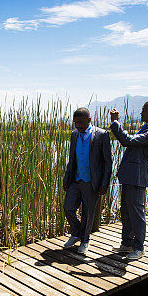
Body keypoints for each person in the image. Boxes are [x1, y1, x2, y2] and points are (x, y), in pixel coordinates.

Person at [109, 101, 148, 261]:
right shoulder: (147, 127)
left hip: (137, 178)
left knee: (136, 214)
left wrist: (115, 122)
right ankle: (127, 243)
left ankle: (139, 248)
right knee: (125, 211)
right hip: (129, 176)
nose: (141, 114)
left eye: (144, 111)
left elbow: (128, 141)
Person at [62, 107, 113, 255]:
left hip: (92, 181)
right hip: (76, 180)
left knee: (88, 213)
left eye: (81, 122)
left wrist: (104, 183)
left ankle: (85, 240)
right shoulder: (74, 135)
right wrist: (67, 179)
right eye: (76, 123)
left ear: (89, 120)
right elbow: (71, 160)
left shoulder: (102, 135)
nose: (78, 126)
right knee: (68, 207)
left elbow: (107, 162)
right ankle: (76, 233)